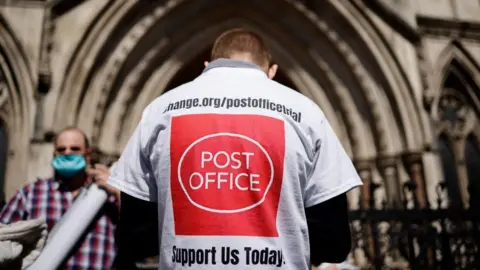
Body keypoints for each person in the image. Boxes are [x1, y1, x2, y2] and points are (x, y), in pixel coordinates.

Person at [108, 28, 363, 269]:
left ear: (206, 68)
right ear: (271, 71)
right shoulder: (305, 112)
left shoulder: (160, 110)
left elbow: (135, 236)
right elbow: (333, 241)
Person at [0, 127, 119, 269]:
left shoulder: (107, 196)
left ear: (87, 155)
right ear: (54, 154)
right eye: (61, 150)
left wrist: (118, 192)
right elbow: (3, 237)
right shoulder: (29, 195)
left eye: (75, 149)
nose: (67, 153)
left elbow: (141, 234)